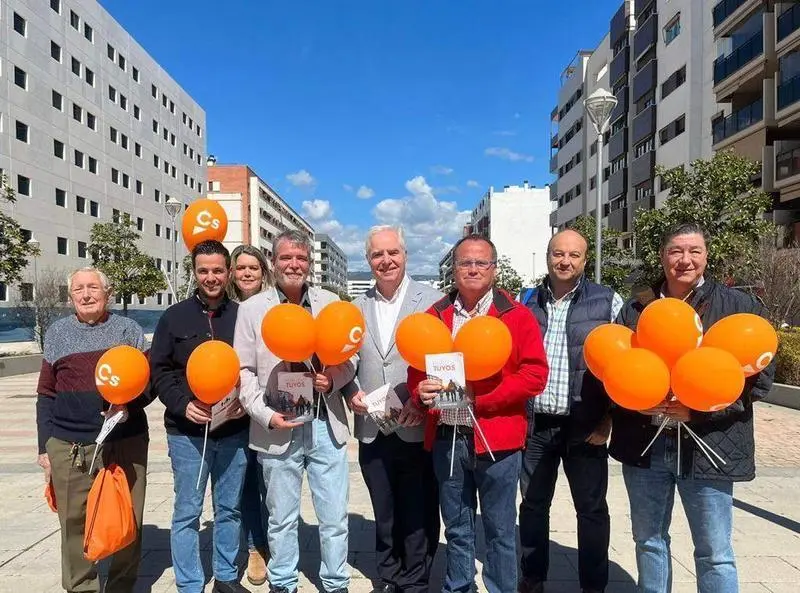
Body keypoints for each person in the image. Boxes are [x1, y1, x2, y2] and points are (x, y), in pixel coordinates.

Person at [610, 222, 776, 593]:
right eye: (676, 251)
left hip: (709, 445)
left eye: (694, 252)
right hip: (647, 444)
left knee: (715, 551)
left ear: (706, 256)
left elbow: (760, 380)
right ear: (663, 256)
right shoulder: (637, 306)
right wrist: (637, 400)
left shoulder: (738, 307)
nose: (685, 261)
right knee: (649, 542)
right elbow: (616, 369)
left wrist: (699, 409)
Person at [408, 234, 549, 593]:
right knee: (456, 527)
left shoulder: (516, 316)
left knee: (501, 530)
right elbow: (416, 370)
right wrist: (419, 391)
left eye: (480, 263)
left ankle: (501, 588)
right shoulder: (434, 315)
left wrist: (482, 400)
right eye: (464, 263)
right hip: (448, 437)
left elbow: (535, 375)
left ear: (494, 269)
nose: (472, 269)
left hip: (498, 440)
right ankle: (458, 587)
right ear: (452, 270)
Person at [234, 230, 357, 593]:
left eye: (300, 258)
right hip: (278, 425)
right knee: (281, 517)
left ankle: (336, 582)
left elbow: (350, 359)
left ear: (309, 263)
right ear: (273, 262)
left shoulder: (331, 302)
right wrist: (263, 414)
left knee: (334, 517)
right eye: (286, 257)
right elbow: (243, 371)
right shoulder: (252, 309)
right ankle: (283, 582)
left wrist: (332, 380)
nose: (294, 264)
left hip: (324, 424)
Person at [517, 229, 624, 593]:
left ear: (584, 259)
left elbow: (624, 366)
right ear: (547, 256)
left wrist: (609, 418)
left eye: (574, 255)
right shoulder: (525, 301)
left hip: (586, 425)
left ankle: (593, 585)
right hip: (535, 425)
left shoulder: (607, 302)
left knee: (591, 510)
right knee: (532, 507)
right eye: (558, 254)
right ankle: (532, 578)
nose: (565, 261)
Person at [36, 266, 151, 593]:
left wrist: (129, 404)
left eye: (93, 288)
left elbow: (148, 382)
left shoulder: (128, 330)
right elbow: (46, 392)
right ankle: (81, 587)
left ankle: (120, 587)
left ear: (108, 292)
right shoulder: (58, 333)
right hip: (70, 445)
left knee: (129, 522)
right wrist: (44, 447)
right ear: (71, 296)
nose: (86, 295)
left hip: (125, 442)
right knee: (74, 524)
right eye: (79, 290)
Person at [342, 225, 442, 593]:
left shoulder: (433, 301)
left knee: (418, 511)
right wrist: (350, 389)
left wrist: (421, 399)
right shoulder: (354, 308)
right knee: (383, 512)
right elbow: (345, 359)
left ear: (405, 255)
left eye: (392, 253)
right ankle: (387, 577)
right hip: (373, 425)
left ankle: (415, 580)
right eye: (377, 255)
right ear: (368, 261)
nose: (386, 261)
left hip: (415, 423)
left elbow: (443, 360)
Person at [150, 240, 251, 593]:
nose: (211, 277)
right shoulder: (174, 316)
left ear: (229, 272)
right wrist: (182, 404)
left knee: (229, 509)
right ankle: (190, 583)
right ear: (194, 273)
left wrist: (245, 402)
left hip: (234, 428)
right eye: (204, 271)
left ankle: (225, 577)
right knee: (188, 512)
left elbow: (254, 369)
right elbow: (160, 370)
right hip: (186, 433)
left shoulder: (243, 316)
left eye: (218, 271)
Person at [229, 245, 274, 586]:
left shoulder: (275, 307)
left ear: (263, 272)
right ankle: (255, 547)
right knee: (244, 484)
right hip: (231, 414)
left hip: (269, 408)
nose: (246, 273)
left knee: (269, 483)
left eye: (253, 268)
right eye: (240, 267)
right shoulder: (228, 310)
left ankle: (274, 543)